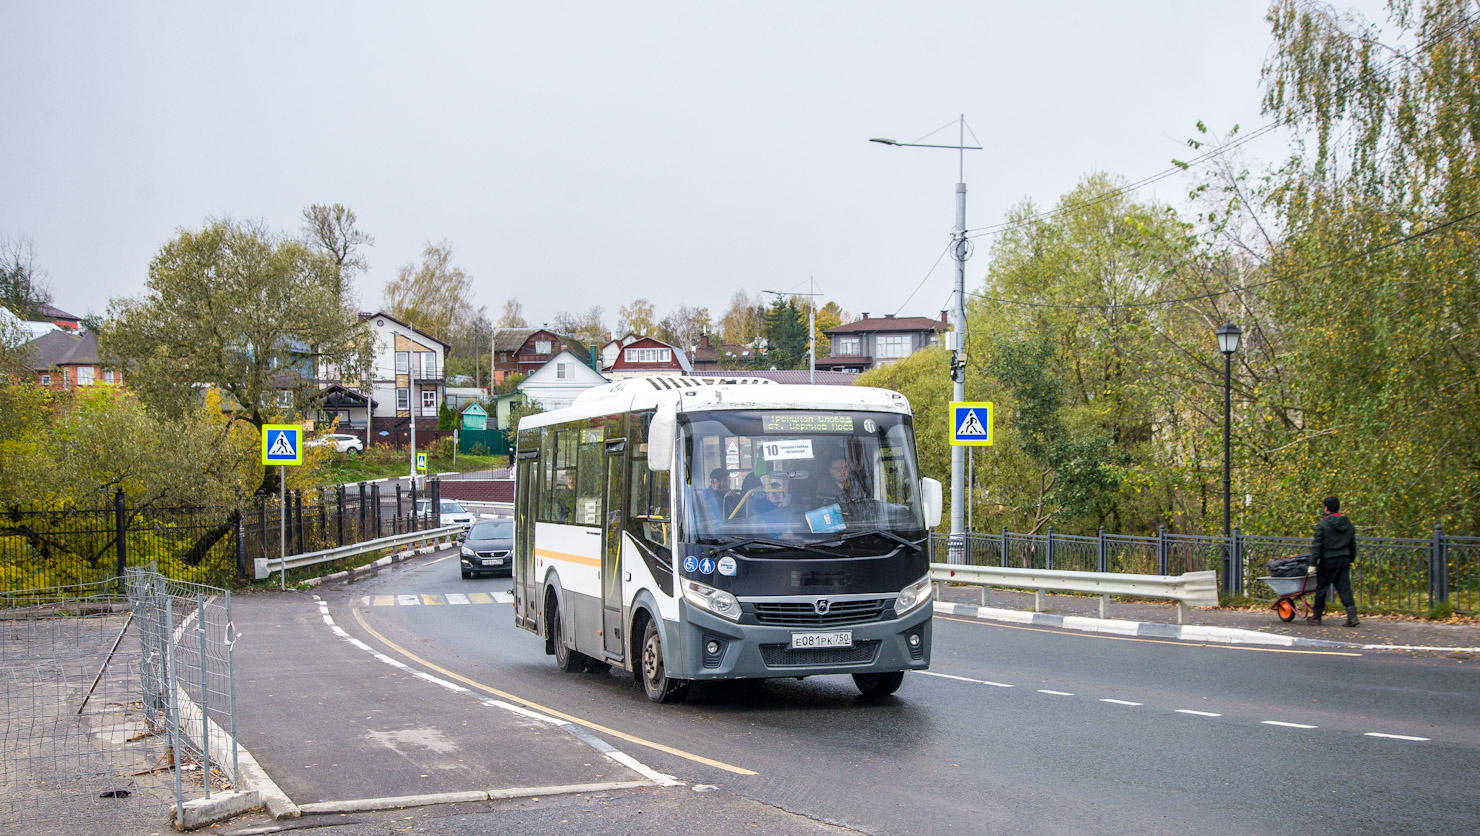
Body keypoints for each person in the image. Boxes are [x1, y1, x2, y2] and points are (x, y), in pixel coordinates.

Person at [1305, 495, 1359, 627]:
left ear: (1326, 508)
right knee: (1344, 588)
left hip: (1328, 560)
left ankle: (1317, 617)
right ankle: (1352, 616)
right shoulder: (1349, 525)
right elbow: (1353, 545)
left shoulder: (1322, 525)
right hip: (1344, 560)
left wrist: (1312, 564)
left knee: (1322, 588)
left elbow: (1317, 546)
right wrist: (1350, 559)